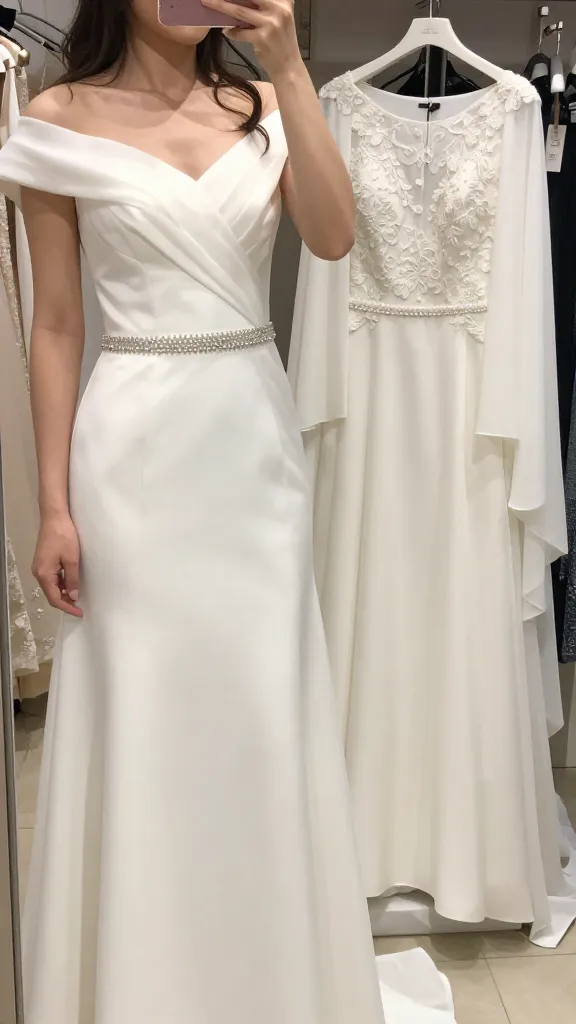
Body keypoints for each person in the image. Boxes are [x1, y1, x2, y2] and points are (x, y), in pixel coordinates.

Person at [0, 2, 386, 1023]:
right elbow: (53, 323)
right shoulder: (57, 113)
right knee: (143, 711)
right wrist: (51, 503)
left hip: (249, 443)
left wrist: (291, 66)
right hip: (128, 455)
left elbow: (338, 239)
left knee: (260, 711)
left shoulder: (264, 105)